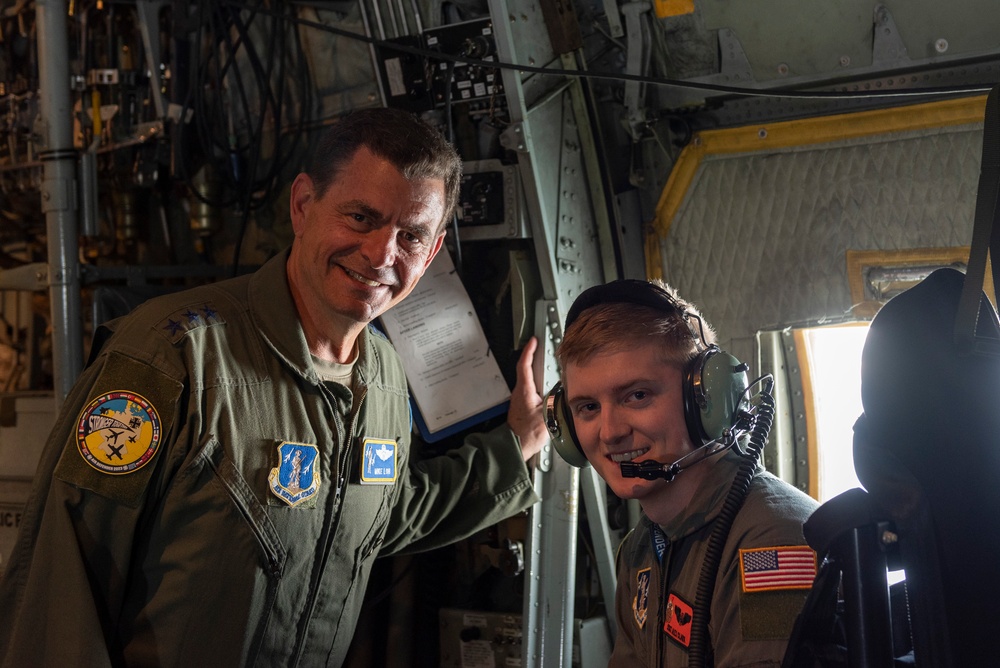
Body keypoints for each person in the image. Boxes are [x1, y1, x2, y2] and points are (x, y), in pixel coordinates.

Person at [0, 107, 547, 667]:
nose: (382, 254)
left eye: (410, 236)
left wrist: (516, 448)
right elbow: (60, 587)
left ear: (431, 255)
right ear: (303, 205)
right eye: (360, 218)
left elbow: (379, 514)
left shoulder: (382, 374)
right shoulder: (169, 354)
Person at [552, 279, 818, 667]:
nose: (610, 432)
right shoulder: (641, 549)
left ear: (705, 399)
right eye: (588, 407)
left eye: (637, 395)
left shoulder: (774, 542)